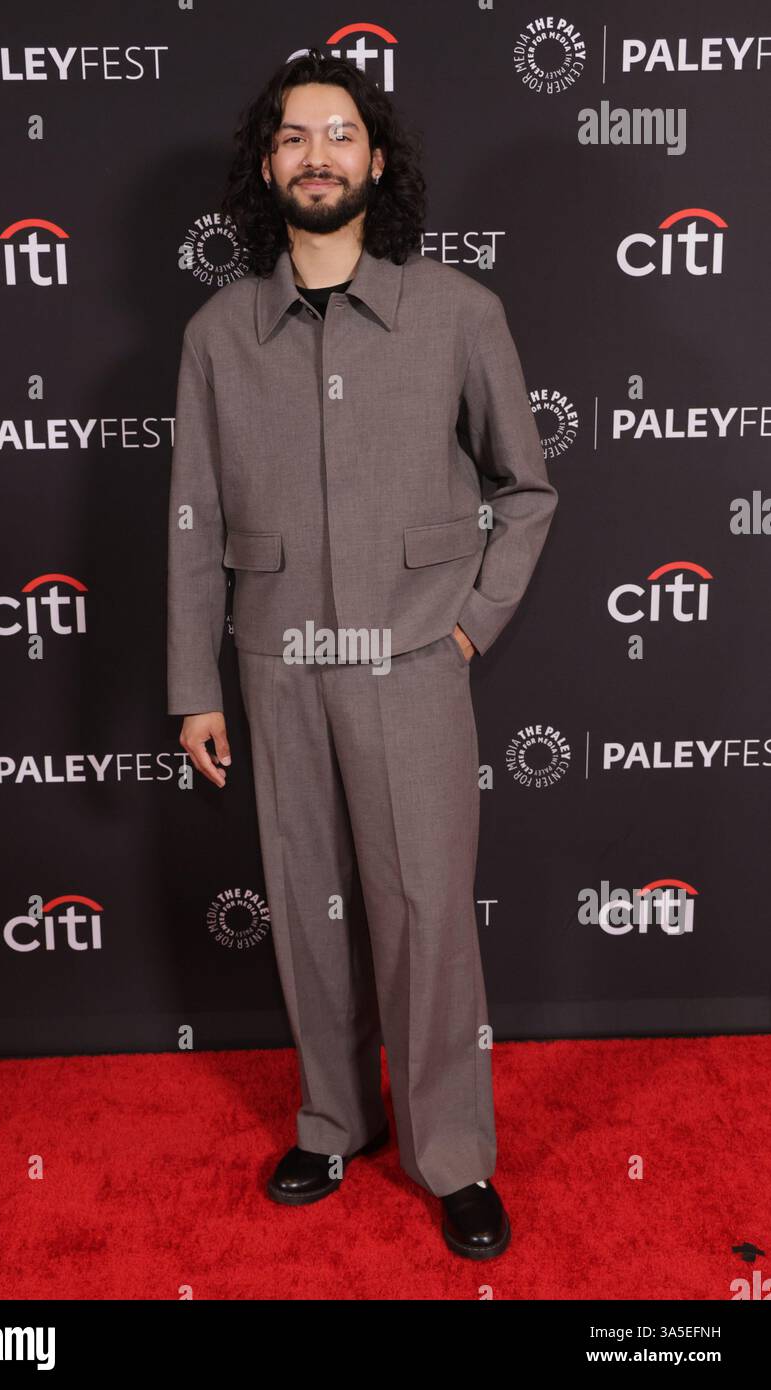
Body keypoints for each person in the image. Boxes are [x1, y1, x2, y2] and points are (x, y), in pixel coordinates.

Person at [166, 49, 558, 1260]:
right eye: (295, 137)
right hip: (276, 670)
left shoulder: (457, 313)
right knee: (306, 908)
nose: (318, 154)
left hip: (413, 665)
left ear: (375, 162)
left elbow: (526, 491)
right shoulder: (219, 334)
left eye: (340, 134)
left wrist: (466, 623)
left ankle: (453, 1157)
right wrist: (194, 687)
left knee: (429, 912)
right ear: (268, 165)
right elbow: (194, 522)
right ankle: (334, 1119)